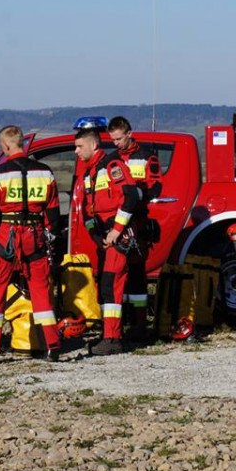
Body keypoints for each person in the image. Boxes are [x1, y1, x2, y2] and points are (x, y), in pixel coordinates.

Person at [0, 125, 61, 363]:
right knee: (42, 294)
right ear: (22, 143)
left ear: (5, 146)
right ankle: (52, 346)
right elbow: (53, 216)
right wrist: (50, 241)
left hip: (5, 238)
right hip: (35, 238)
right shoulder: (45, 172)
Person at [74, 125, 141, 355]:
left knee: (111, 286)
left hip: (117, 237)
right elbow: (88, 212)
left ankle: (113, 340)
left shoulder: (112, 166)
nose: (76, 151)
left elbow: (131, 197)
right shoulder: (88, 174)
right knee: (105, 287)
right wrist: (96, 235)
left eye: (79, 146)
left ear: (93, 145)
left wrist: (116, 231)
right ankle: (109, 336)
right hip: (104, 239)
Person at [106, 116, 161, 341]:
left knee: (137, 275)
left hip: (137, 221)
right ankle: (121, 324)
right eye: (112, 140)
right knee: (116, 276)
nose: (116, 143)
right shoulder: (111, 159)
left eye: (119, 138)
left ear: (129, 133)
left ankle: (139, 324)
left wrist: (136, 196)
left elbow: (156, 186)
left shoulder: (147, 156)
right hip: (116, 220)